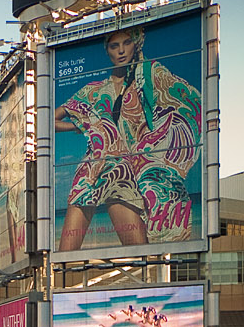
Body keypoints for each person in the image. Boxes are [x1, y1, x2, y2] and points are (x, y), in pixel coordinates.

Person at [55, 24, 201, 253]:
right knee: (64, 257)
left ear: (136, 44)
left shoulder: (151, 76)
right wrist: (82, 126)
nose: (121, 50)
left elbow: (189, 101)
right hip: (91, 170)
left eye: (126, 43)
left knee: (142, 259)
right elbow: (49, 120)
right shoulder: (93, 90)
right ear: (108, 51)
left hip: (125, 173)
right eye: (114, 46)